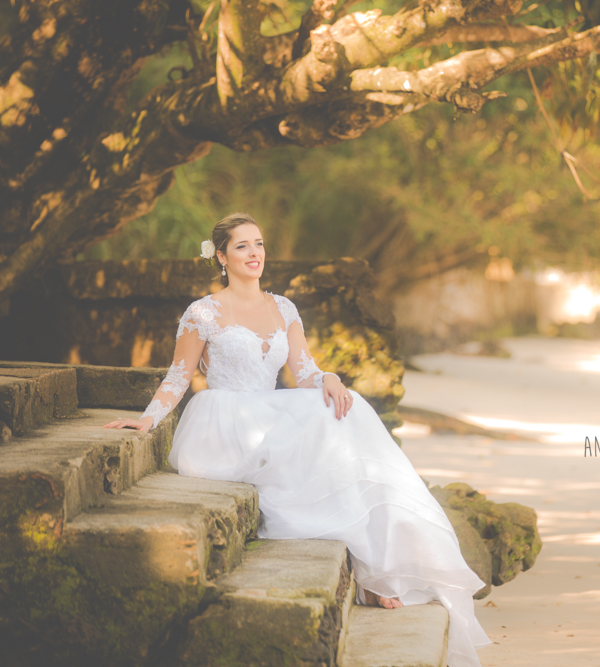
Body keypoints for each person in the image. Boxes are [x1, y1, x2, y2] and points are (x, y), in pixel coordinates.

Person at [104, 212, 490, 667]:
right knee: (324, 437)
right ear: (222, 257)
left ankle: (377, 568)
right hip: (224, 420)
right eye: (243, 246)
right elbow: (178, 375)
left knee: (348, 408)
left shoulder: (284, 307)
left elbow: (303, 371)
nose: (254, 253)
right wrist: (147, 420)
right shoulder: (202, 312)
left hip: (268, 411)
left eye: (259, 244)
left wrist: (328, 377)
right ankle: (370, 570)